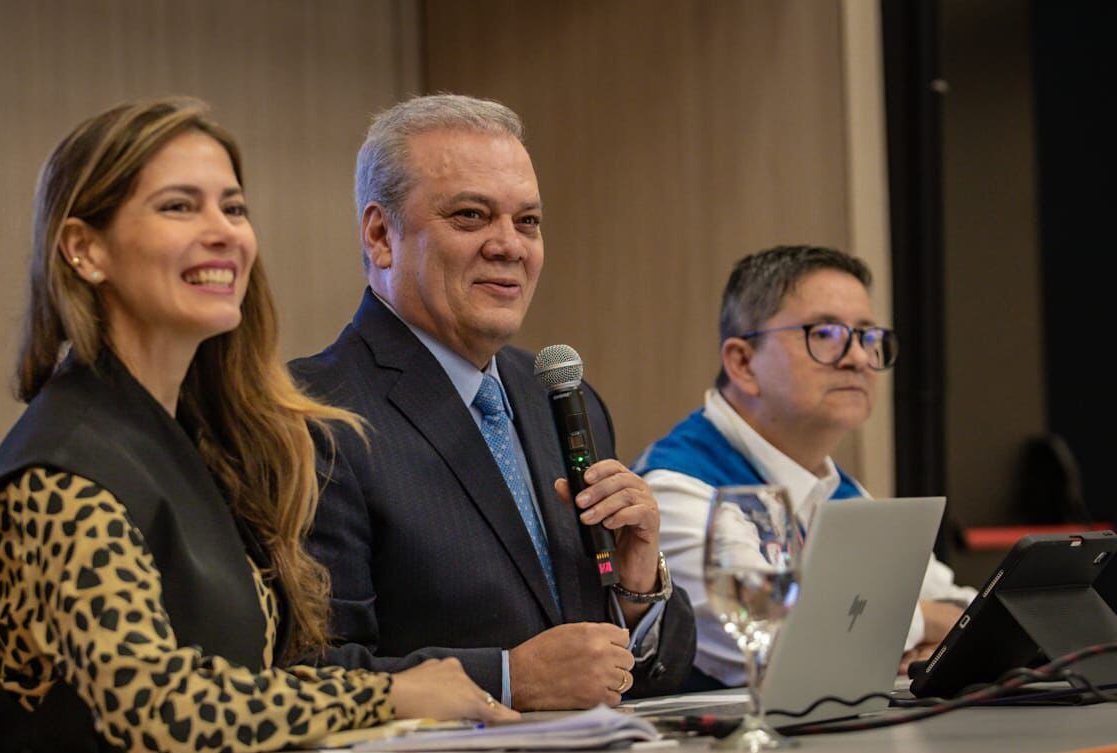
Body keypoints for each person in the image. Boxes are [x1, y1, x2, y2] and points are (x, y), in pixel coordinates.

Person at [0, 97, 515, 753]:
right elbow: (160, 710)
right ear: (83, 249)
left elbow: (244, 680)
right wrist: (390, 693)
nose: (223, 231)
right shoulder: (61, 467)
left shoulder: (186, 441)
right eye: (179, 205)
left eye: (233, 205)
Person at [290, 94, 694, 711]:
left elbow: (639, 675)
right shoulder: (311, 415)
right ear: (380, 235)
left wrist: (637, 589)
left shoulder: (560, 395)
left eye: (527, 221)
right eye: (472, 216)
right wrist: (507, 679)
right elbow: (305, 671)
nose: (509, 245)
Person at [635, 245, 974, 689]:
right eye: (826, 334)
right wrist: (923, 623)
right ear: (743, 362)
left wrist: (906, 633)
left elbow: (967, 609)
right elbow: (784, 652)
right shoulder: (676, 489)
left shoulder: (838, 489)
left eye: (868, 337)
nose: (857, 358)